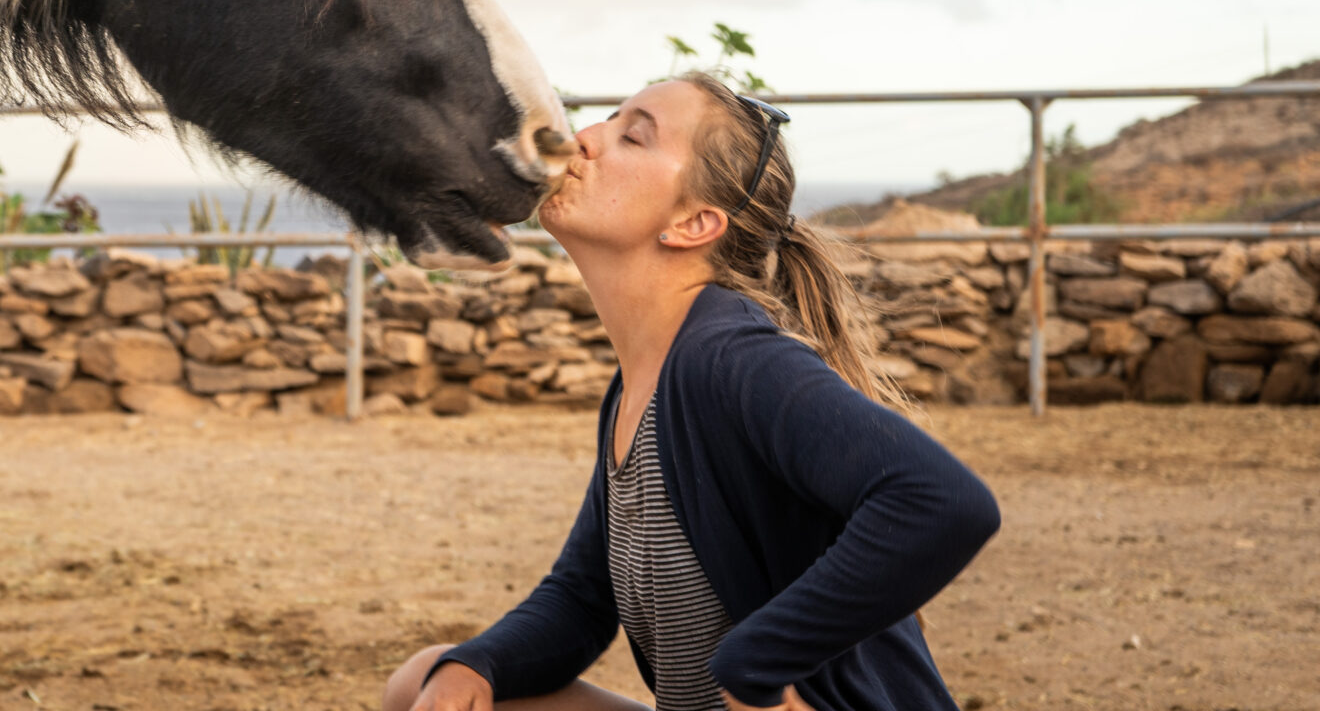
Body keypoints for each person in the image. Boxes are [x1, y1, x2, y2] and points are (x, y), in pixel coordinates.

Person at [382, 72, 1000, 711]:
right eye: (608, 119)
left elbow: (946, 502)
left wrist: (757, 662)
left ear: (694, 222)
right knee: (430, 678)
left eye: (634, 137)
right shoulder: (641, 380)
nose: (584, 138)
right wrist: (478, 666)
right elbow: (581, 599)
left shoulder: (732, 360)